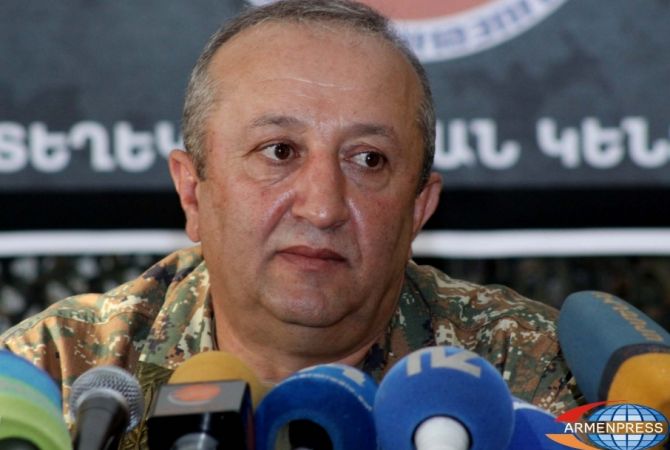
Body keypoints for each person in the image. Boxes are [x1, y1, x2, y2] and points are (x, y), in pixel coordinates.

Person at [0, 0, 580, 447]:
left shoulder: (536, 371)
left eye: (368, 160)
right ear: (192, 192)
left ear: (418, 209)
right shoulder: (58, 375)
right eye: (278, 151)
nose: (322, 208)